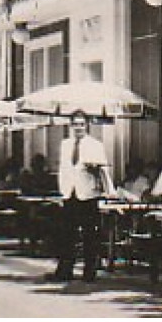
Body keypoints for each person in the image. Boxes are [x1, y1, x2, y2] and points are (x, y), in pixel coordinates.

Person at [51, 111, 112, 283]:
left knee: (89, 235)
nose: (78, 127)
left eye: (81, 124)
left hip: (87, 194)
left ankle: (89, 271)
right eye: (75, 124)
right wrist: (63, 190)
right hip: (70, 193)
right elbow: (63, 169)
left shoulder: (95, 145)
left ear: (87, 126)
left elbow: (103, 170)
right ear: (71, 126)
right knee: (67, 234)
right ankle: (65, 269)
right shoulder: (65, 144)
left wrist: (94, 171)